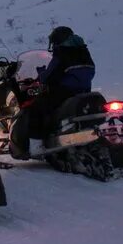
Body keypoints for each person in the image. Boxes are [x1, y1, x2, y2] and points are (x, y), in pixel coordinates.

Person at [24, 26, 95, 155]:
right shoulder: (83, 51)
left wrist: (41, 73)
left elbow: (49, 76)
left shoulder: (62, 52)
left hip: (64, 92)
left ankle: (37, 145)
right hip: (84, 91)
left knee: (35, 108)